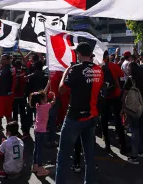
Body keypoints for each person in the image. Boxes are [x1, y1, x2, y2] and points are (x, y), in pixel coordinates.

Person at [56, 43, 104, 184]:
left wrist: (66, 72)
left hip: (75, 118)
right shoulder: (99, 70)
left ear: (79, 54)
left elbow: (61, 90)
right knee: (89, 155)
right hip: (92, 116)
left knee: (63, 156)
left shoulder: (75, 69)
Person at [123, 62, 143, 164]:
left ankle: (134, 156)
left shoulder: (130, 80)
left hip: (134, 108)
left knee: (134, 130)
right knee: (140, 128)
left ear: (132, 69)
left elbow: (125, 94)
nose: (127, 69)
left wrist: (123, 107)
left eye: (128, 67)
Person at [100, 51, 127, 154]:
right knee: (118, 120)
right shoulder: (113, 65)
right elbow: (121, 74)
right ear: (107, 56)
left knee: (104, 120)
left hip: (103, 96)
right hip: (115, 95)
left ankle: (107, 145)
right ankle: (123, 145)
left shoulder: (98, 67)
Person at [30, 90, 56, 176]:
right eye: (45, 97)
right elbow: (54, 102)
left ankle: (35, 166)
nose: (46, 98)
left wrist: (48, 85)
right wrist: (54, 94)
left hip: (36, 130)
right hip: (42, 131)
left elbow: (41, 95)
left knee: (36, 148)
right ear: (41, 99)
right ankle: (40, 168)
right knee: (40, 150)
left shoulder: (38, 105)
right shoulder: (46, 106)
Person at [23, 60, 47, 138]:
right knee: (40, 116)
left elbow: (27, 85)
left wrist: (26, 94)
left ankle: (26, 132)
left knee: (29, 115)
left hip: (33, 97)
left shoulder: (32, 75)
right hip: (42, 97)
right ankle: (41, 132)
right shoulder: (45, 75)